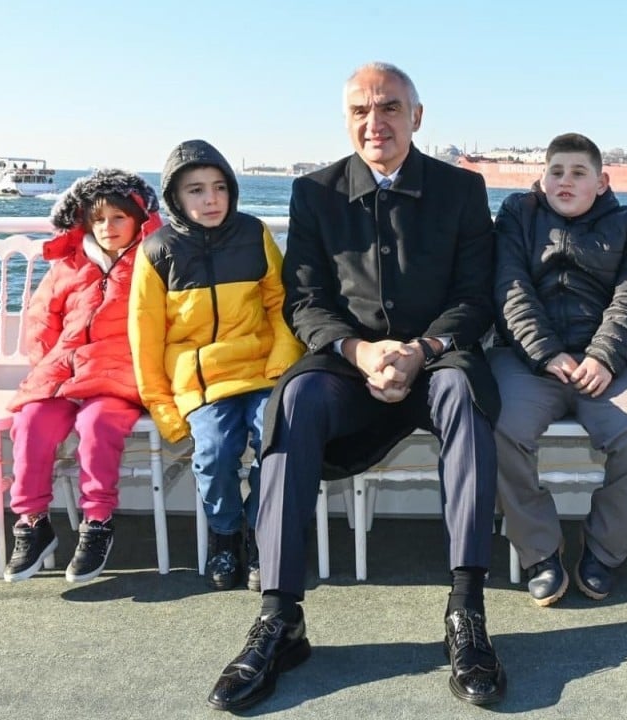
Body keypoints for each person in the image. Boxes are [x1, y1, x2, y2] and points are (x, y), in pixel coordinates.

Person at [207, 62, 506, 712]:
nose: (376, 123)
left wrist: (420, 350)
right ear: (347, 121)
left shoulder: (461, 189)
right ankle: (281, 617)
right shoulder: (314, 194)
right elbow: (306, 301)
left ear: (417, 117)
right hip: (350, 364)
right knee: (295, 400)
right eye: (361, 111)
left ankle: (467, 611)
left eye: (391, 108)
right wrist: (362, 350)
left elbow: (476, 298)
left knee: (465, 395)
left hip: (436, 360)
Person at [490, 132, 627, 606]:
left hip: (610, 363)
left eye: (578, 172)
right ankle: (540, 551)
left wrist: (604, 356)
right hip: (529, 359)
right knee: (496, 426)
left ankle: (603, 550)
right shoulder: (517, 214)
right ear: (541, 177)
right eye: (556, 171)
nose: (565, 181)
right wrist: (546, 352)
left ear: (602, 181)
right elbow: (509, 288)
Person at [130, 139, 304, 592]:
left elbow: (280, 304)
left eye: (219, 188)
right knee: (214, 453)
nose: (210, 200)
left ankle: (260, 532)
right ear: (174, 197)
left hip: (262, 371)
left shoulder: (254, 234)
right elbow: (145, 339)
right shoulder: (156, 252)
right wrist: (163, 407)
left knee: (279, 443)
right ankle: (225, 537)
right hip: (201, 383)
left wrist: (281, 363)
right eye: (196, 190)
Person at [3, 169, 162, 583]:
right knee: (31, 422)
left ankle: (97, 522)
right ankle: (32, 522)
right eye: (98, 219)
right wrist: (46, 368)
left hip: (117, 375)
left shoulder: (153, 260)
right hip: (62, 372)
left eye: (119, 218)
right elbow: (42, 319)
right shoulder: (70, 264)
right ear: (85, 222)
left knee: (96, 425)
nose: (108, 228)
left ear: (140, 219)